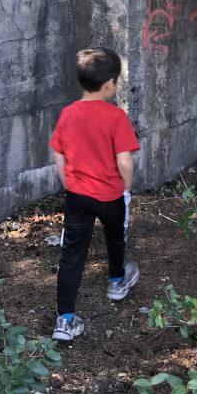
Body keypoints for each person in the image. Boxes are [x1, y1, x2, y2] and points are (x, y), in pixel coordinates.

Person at [49, 47, 141, 342]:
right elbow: (125, 161)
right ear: (109, 85)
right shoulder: (116, 117)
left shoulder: (68, 114)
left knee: (72, 253)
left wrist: (69, 184)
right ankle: (117, 282)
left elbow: (58, 155)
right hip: (111, 195)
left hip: (77, 196)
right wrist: (126, 186)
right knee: (115, 237)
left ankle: (64, 319)